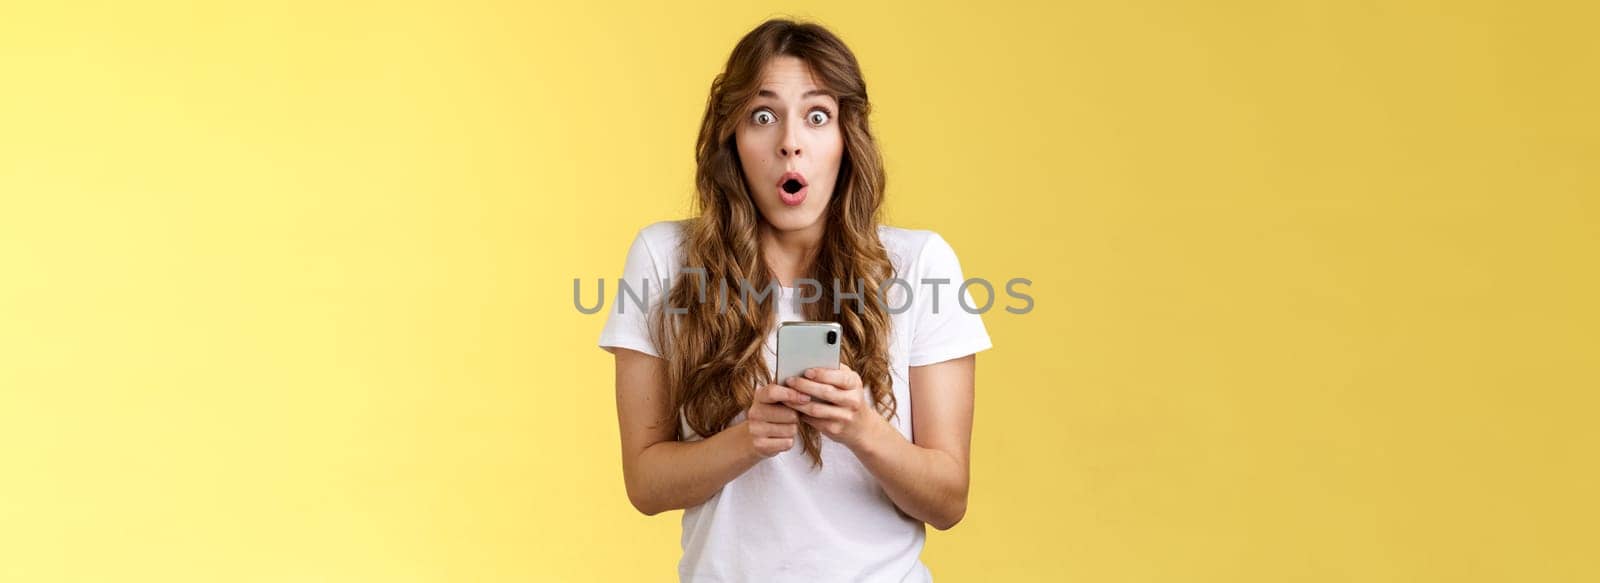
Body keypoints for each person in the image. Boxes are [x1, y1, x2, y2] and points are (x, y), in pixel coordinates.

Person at [597, 18, 992, 582]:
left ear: (845, 139)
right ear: (731, 136)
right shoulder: (664, 259)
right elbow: (645, 484)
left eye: (816, 115)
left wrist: (862, 428)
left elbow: (948, 501)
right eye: (763, 116)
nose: (790, 141)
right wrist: (746, 441)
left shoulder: (920, 265)